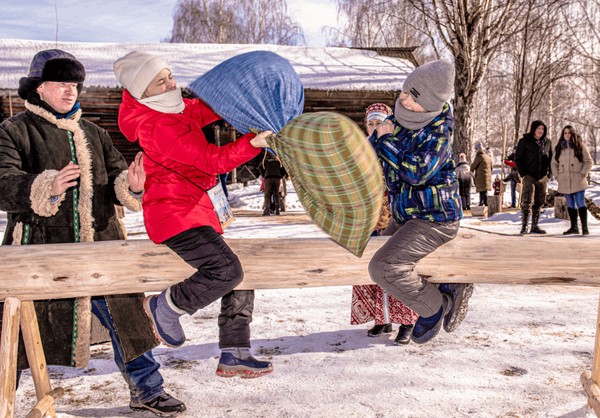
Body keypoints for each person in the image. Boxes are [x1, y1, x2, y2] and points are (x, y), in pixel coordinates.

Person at [0, 49, 185, 416]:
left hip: (102, 245)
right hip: (40, 248)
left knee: (128, 314)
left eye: (74, 84)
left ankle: (147, 390)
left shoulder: (95, 132)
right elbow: (3, 183)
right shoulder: (15, 130)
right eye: (60, 84)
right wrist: (46, 186)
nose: (70, 92)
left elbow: (117, 176)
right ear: (39, 88)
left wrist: (130, 186)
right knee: (15, 327)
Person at [113, 51, 274, 379]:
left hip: (197, 210)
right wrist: (252, 142)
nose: (172, 83)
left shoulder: (172, 105)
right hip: (174, 215)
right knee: (227, 269)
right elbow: (210, 160)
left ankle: (235, 351)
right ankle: (165, 307)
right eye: (161, 81)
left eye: (170, 75)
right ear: (143, 92)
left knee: (239, 274)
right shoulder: (157, 125)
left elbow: (204, 110)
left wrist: (242, 100)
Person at [368, 60, 474, 345]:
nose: (401, 100)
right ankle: (448, 284)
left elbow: (416, 172)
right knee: (365, 252)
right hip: (407, 215)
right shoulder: (397, 122)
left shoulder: (439, 133)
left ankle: (435, 305)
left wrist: (387, 140)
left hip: (435, 218)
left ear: (427, 104)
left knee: (384, 267)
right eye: (403, 92)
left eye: (410, 97)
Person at [350, 103, 418, 345]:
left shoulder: (396, 145)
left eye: (379, 123)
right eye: (371, 123)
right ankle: (381, 318)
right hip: (368, 215)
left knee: (396, 266)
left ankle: (407, 321)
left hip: (394, 212)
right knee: (370, 265)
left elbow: (406, 176)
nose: (375, 127)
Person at [551, 125, 593, 235]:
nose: (567, 135)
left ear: (573, 134)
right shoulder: (559, 148)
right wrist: (557, 176)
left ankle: (584, 228)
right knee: (570, 204)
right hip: (564, 180)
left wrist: (583, 174)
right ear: (562, 135)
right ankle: (574, 227)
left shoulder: (580, 146)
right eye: (565, 133)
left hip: (578, 180)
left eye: (569, 133)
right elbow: (553, 163)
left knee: (580, 203)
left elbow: (588, 161)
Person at [514, 120, 552, 235]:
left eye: (542, 129)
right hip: (529, 175)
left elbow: (551, 158)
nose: (541, 131)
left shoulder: (547, 142)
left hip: (542, 176)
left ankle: (534, 226)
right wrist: (523, 173)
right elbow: (518, 158)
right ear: (533, 129)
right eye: (538, 128)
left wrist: (550, 173)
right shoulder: (524, 141)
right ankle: (524, 225)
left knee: (539, 201)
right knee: (527, 200)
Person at [260, 151, 285, 216]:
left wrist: (264, 175)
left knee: (267, 194)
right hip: (277, 178)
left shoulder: (265, 161)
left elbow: (260, 167)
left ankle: (267, 210)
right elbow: (283, 169)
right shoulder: (278, 162)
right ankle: (277, 210)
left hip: (268, 178)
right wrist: (280, 175)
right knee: (276, 194)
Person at [470, 141, 492, 206]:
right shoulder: (487, 156)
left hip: (481, 177)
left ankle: (481, 204)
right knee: (484, 191)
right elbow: (491, 167)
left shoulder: (479, 156)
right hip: (487, 177)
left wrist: (472, 169)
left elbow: (473, 167)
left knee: (482, 191)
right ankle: (485, 203)